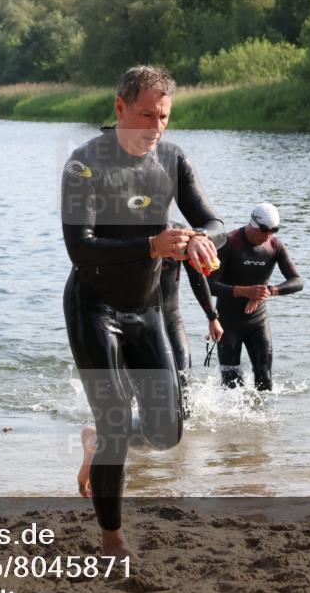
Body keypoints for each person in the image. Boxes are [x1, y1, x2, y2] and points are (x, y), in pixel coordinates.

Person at [63, 66, 225, 560]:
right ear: (120, 107)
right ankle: (112, 538)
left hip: (146, 308)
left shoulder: (172, 160)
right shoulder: (84, 163)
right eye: (147, 115)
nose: (157, 127)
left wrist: (200, 239)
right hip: (94, 306)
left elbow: (215, 221)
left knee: (167, 432)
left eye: (164, 117)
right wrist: (153, 245)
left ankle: (95, 441)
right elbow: (80, 248)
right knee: (116, 420)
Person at [208, 202, 303, 391]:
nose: (268, 237)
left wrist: (268, 291)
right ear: (253, 224)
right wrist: (244, 291)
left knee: (265, 381)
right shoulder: (229, 243)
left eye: (273, 232)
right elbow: (209, 285)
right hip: (228, 323)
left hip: (258, 322)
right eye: (265, 231)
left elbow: (297, 281)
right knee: (230, 385)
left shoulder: (275, 246)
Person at [160, 222, 224, 418]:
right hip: (138, 320)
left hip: (171, 318)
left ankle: (183, 430)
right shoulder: (134, 235)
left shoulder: (180, 234)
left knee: (183, 381)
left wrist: (212, 317)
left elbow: (197, 279)